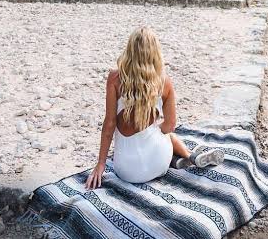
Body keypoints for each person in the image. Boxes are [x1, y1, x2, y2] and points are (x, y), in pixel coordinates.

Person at [86, 26, 224, 189]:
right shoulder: (164, 82)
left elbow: (109, 124)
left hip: (126, 172)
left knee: (153, 134)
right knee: (161, 133)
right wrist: (153, 129)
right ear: (155, 52)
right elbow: (170, 125)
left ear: (129, 50)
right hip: (159, 163)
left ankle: (182, 157)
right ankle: (188, 156)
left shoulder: (114, 78)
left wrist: (101, 164)